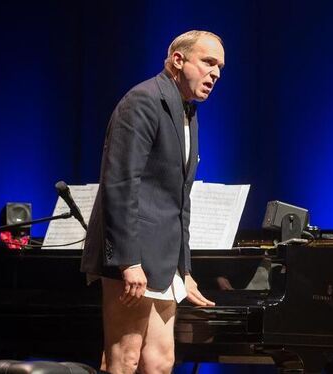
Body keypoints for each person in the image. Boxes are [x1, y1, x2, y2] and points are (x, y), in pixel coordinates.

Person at [80, 30, 225, 374]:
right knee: (124, 358)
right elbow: (120, 183)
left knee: (160, 362)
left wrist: (184, 269)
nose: (216, 74)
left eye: (219, 67)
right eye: (208, 62)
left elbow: (179, 200)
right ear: (178, 60)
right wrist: (128, 261)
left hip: (163, 260)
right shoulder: (143, 100)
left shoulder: (187, 113)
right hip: (133, 255)